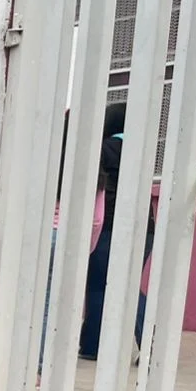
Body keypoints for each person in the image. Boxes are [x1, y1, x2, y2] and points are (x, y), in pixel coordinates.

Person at [79, 102, 155, 360]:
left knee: (100, 284)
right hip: (145, 228)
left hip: (109, 226)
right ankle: (151, 345)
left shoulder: (103, 149)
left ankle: (92, 345)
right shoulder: (141, 151)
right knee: (128, 283)